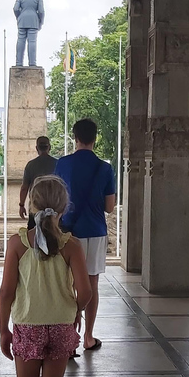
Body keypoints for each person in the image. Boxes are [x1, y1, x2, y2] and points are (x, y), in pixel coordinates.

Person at [0, 175, 92, 377]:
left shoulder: (17, 244)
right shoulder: (72, 246)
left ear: (30, 205)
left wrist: (3, 329)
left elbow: (6, 292)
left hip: (27, 326)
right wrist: (76, 310)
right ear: (64, 208)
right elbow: (85, 291)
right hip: (61, 328)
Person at [54, 119, 116, 353]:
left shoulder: (62, 164)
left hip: (68, 233)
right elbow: (109, 207)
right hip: (95, 232)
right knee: (91, 284)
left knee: (67, 284)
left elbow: (56, 198)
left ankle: (69, 339)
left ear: (75, 137)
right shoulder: (105, 168)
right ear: (95, 138)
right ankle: (88, 336)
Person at [20, 136, 58, 228]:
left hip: (35, 207)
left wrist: (21, 205)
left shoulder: (31, 165)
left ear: (37, 148)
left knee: (32, 237)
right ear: (50, 147)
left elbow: (24, 187)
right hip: (54, 208)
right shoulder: (58, 163)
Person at [13, 0, 44, 67]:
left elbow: (15, 9)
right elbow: (41, 11)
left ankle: (19, 62)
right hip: (33, 21)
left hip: (22, 20)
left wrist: (19, 17)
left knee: (20, 41)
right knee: (32, 42)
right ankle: (32, 63)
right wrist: (40, 21)